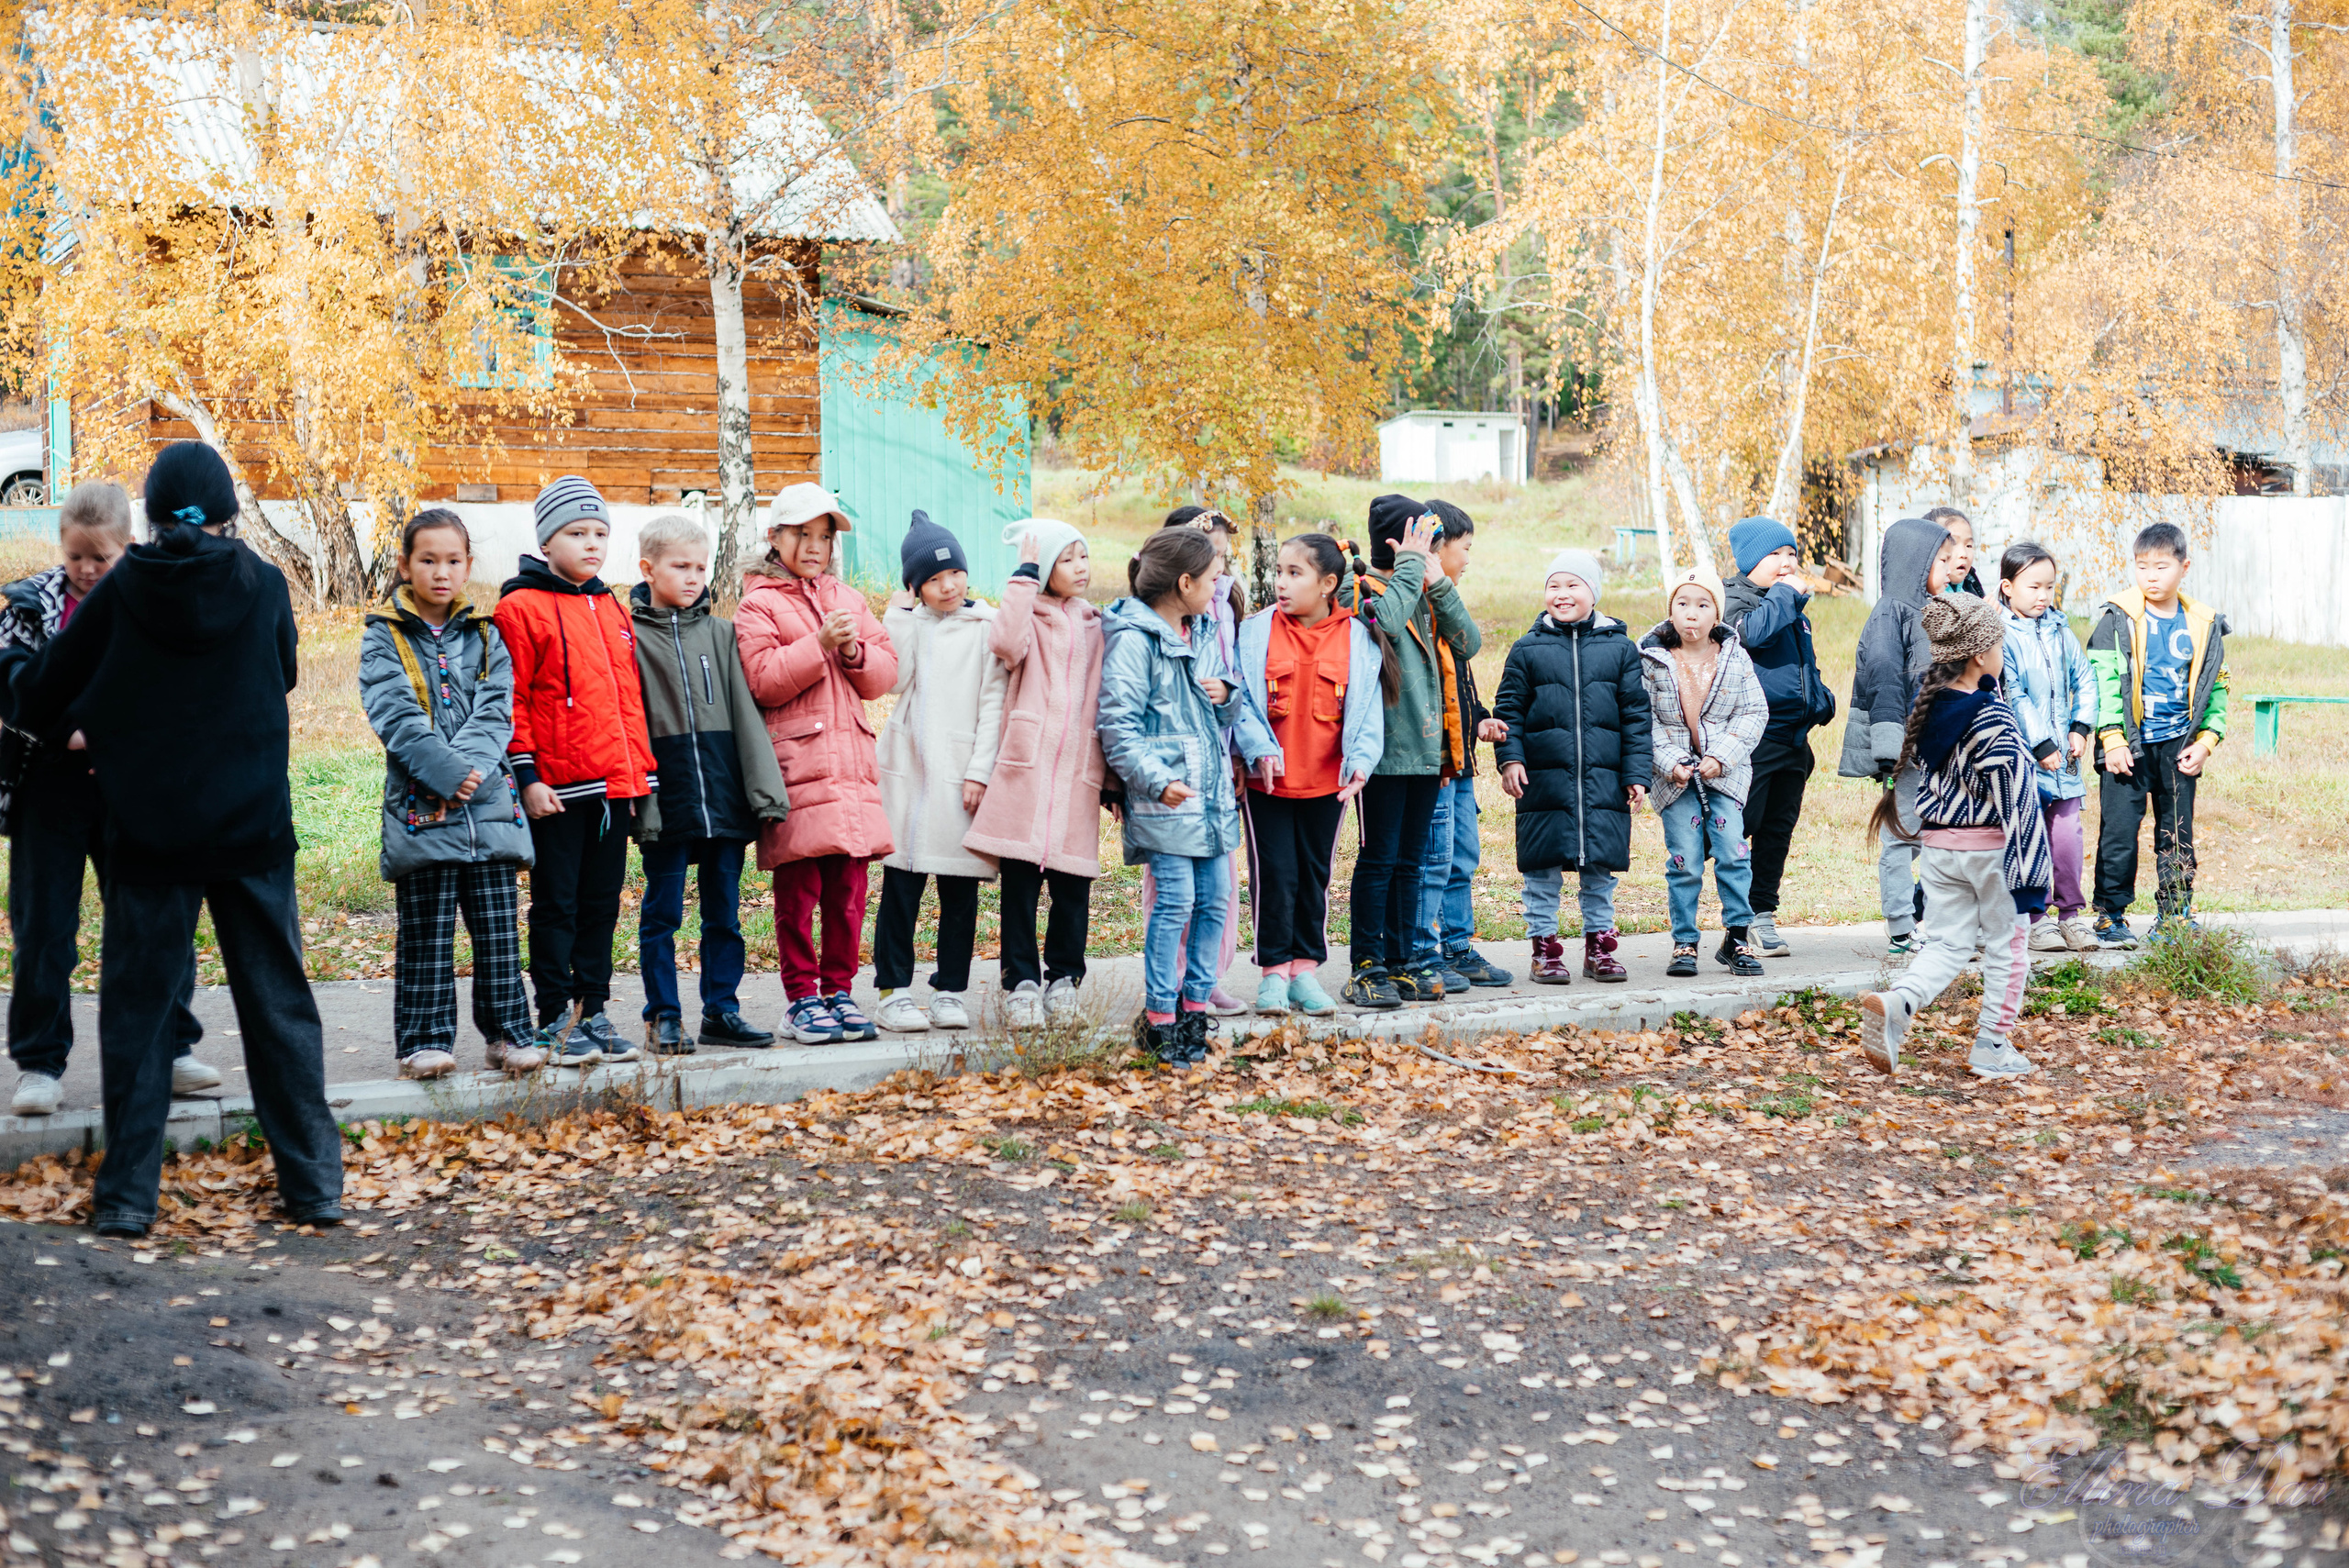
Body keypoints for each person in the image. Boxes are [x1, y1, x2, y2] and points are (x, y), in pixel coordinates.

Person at [0, 440, 342, 1236]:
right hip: (253, 825)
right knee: (280, 1007)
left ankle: (127, 1195)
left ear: (148, 518)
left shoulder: (122, 591)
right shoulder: (262, 583)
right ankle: (314, 1183)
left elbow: (46, 698)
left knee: (140, 1016)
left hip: (150, 834)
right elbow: (285, 671)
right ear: (229, 512)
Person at [2, 483, 219, 1118]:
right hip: (51, 790)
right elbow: (12, 681)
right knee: (44, 929)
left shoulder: (154, 600)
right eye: (76, 556)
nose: (88, 569)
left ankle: (172, 1045)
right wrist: (63, 725)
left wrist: (118, 730)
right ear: (61, 548)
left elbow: (176, 683)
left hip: (136, 785)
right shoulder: (30, 605)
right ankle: (40, 1062)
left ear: (130, 546)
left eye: (102, 556)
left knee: (156, 923)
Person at [360, 510, 540, 1080]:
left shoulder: (486, 635)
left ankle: (509, 1035)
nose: (441, 572)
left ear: (467, 566)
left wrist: (469, 771)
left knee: (497, 933)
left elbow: (497, 707)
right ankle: (423, 1042)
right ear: (405, 565)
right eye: (428, 560)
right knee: (427, 936)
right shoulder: (382, 636)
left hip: (488, 808)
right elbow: (393, 711)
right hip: (422, 809)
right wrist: (443, 771)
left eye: (453, 561)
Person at [1098, 527, 1277, 1063]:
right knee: (1175, 902)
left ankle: (1195, 1011)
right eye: (1213, 575)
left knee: (1217, 901)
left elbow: (1219, 704)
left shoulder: (1199, 629)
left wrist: (1228, 695)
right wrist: (1157, 780)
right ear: (1184, 582)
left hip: (1212, 795)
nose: (1220, 582)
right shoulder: (1135, 638)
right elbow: (1118, 727)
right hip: (1167, 799)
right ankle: (1160, 1018)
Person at [1857, 595, 2053, 1081]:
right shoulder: (1990, 717)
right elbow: (2018, 800)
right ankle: (1992, 1044)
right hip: (1992, 853)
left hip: (1940, 850)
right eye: (1999, 645)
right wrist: (2029, 879)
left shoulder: (1931, 713)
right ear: (1981, 654)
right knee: (2009, 949)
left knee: (1946, 944)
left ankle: (1898, 1002)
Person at [495, 476, 655, 1065]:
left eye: (600, 533)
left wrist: (637, 777)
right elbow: (512, 698)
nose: (592, 544)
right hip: (557, 789)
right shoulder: (519, 607)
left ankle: (594, 1009)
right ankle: (553, 1015)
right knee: (557, 903)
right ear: (545, 541)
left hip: (613, 789)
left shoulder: (613, 605)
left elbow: (628, 699)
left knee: (601, 903)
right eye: (575, 532)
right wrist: (527, 775)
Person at [736, 484, 897, 1044]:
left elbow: (884, 675)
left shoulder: (847, 598)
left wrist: (854, 651)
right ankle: (801, 997)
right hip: (796, 767)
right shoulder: (757, 602)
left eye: (823, 536)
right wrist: (822, 644)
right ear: (775, 537)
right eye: (801, 534)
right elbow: (763, 681)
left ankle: (840, 991)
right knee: (799, 890)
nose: (813, 545)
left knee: (849, 892)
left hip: (850, 770)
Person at [629, 513, 789, 1054]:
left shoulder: (722, 635)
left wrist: (764, 794)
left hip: (722, 800)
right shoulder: (628, 639)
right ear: (649, 569)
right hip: (668, 802)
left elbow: (745, 716)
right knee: (662, 915)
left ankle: (722, 1010)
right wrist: (642, 804)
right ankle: (663, 1016)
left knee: (724, 914)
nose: (694, 576)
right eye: (680, 566)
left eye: (701, 566)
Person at [963, 518, 1108, 1027]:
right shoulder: (1030, 618)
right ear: (1045, 570)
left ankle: (1064, 980)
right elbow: (1005, 645)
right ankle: (1021, 983)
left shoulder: (1096, 623)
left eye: (1083, 556)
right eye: (1067, 559)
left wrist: (1109, 779)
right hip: (1026, 773)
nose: (1081, 567)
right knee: (1020, 886)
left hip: (1076, 775)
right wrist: (1022, 579)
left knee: (1073, 885)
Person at [1234, 533, 1385, 1018]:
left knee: (1313, 878)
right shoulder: (1255, 632)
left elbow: (1366, 714)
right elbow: (1239, 701)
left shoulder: (1358, 639)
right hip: (1268, 786)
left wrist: (1362, 763)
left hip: (1329, 786)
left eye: (1294, 573)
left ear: (1328, 584)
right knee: (1274, 877)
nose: (1280, 582)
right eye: (1278, 571)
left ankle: (1305, 973)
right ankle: (1273, 975)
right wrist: (1257, 749)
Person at [873, 512, 1007, 1035]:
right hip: (910, 773)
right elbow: (892, 680)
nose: (947, 586)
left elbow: (994, 703)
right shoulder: (912, 624)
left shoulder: (987, 626)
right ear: (915, 587)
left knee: (960, 889)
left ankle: (950, 989)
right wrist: (901, 615)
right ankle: (892, 990)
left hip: (961, 774)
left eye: (954, 574)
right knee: (900, 886)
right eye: (931, 579)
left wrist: (980, 771)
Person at [1343, 498, 1478, 1007]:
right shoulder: (1358, 590)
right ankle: (1367, 964)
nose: (1440, 554)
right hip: (1380, 753)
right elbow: (1389, 623)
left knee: (1411, 862)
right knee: (1379, 859)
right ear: (1402, 544)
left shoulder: (1421, 590)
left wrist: (1437, 583)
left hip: (1426, 752)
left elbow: (1469, 643)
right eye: (1429, 543)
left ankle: (1402, 963)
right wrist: (1409, 570)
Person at [1493, 549, 1650, 984]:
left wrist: (1637, 774)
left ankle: (1599, 947)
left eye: (1572, 585)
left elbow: (1636, 716)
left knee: (1598, 869)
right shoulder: (1527, 649)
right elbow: (1509, 710)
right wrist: (1510, 759)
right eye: (1553, 586)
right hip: (1543, 781)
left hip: (1604, 782)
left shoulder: (1620, 649)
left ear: (1593, 592)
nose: (1561, 594)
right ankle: (1544, 949)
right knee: (1541, 869)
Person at [2086, 522, 2228, 948]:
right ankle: (2111, 915)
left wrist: (2206, 741)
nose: (2150, 575)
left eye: (2161, 566)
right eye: (2142, 566)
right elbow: (2104, 683)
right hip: (2127, 746)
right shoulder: (2116, 619)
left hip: (2179, 746)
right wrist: (2110, 738)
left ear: (2184, 567)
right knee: (2118, 832)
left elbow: (2215, 688)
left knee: (2177, 831)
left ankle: (2175, 913)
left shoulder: (2204, 623)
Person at [1139, 506, 1250, 1015]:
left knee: (1219, 888)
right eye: (1213, 561)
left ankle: (1207, 980)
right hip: (1166, 776)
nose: (1221, 571)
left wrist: (1226, 695)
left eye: (1225, 559)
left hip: (1218, 767)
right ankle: (1174, 983)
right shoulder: (1146, 628)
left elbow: (1234, 680)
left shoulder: (1223, 607)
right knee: (1172, 892)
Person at [1839, 516, 1962, 955]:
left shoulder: (1929, 610)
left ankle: (1931, 919)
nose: (1950, 570)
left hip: (1938, 749)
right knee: (1903, 836)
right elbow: (1885, 680)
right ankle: (1899, 925)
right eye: (1941, 560)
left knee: (1940, 834)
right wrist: (1891, 750)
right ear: (1916, 561)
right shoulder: (1891, 614)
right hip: (1906, 753)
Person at [1639, 566, 1768, 979]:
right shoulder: (1652, 660)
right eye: (1682, 604)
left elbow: (1753, 712)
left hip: (1724, 776)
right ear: (1670, 611)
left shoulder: (1735, 657)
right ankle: (1685, 941)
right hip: (1674, 779)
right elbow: (1644, 720)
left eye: (1702, 605)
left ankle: (1737, 938)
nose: (1691, 614)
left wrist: (1722, 757)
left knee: (1732, 851)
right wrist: (1669, 763)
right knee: (1685, 860)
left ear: (1718, 614)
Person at [1407, 500, 1512, 992]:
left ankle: (1457, 945)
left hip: (1462, 758)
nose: (1469, 559)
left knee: (1462, 857)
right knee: (1436, 857)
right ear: (1436, 548)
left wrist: (1483, 721)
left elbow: (1461, 686)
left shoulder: (1445, 606)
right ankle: (1424, 949)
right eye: (1464, 548)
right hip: (1435, 763)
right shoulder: (1418, 605)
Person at [1722, 515, 1836, 958]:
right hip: (1753, 738)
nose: (1788, 563)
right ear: (1751, 559)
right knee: (1739, 827)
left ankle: (1761, 915)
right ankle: (1735, 917)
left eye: (1792, 554)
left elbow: (1803, 665)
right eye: (1776, 555)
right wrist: (1788, 595)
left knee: (1777, 829)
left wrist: (1821, 698)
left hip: (1793, 737)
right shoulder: (1734, 601)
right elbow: (1749, 636)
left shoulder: (1789, 608)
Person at [1996, 541, 2099, 954]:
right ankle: (2036, 921)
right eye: (2033, 586)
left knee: (2068, 839)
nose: (2043, 596)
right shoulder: (2001, 635)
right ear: (2007, 587)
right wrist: (2040, 744)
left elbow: (2085, 678)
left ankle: (2071, 916)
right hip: (2027, 759)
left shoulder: (2061, 631)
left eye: (2049, 587)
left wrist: (2080, 728)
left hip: (2066, 763)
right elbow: (2013, 692)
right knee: (2029, 841)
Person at [1924, 505, 1985, 597]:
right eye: (1953, 544)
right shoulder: (1922, 602)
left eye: (1968, 546)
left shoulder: (1971, 587)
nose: (1964, 554)